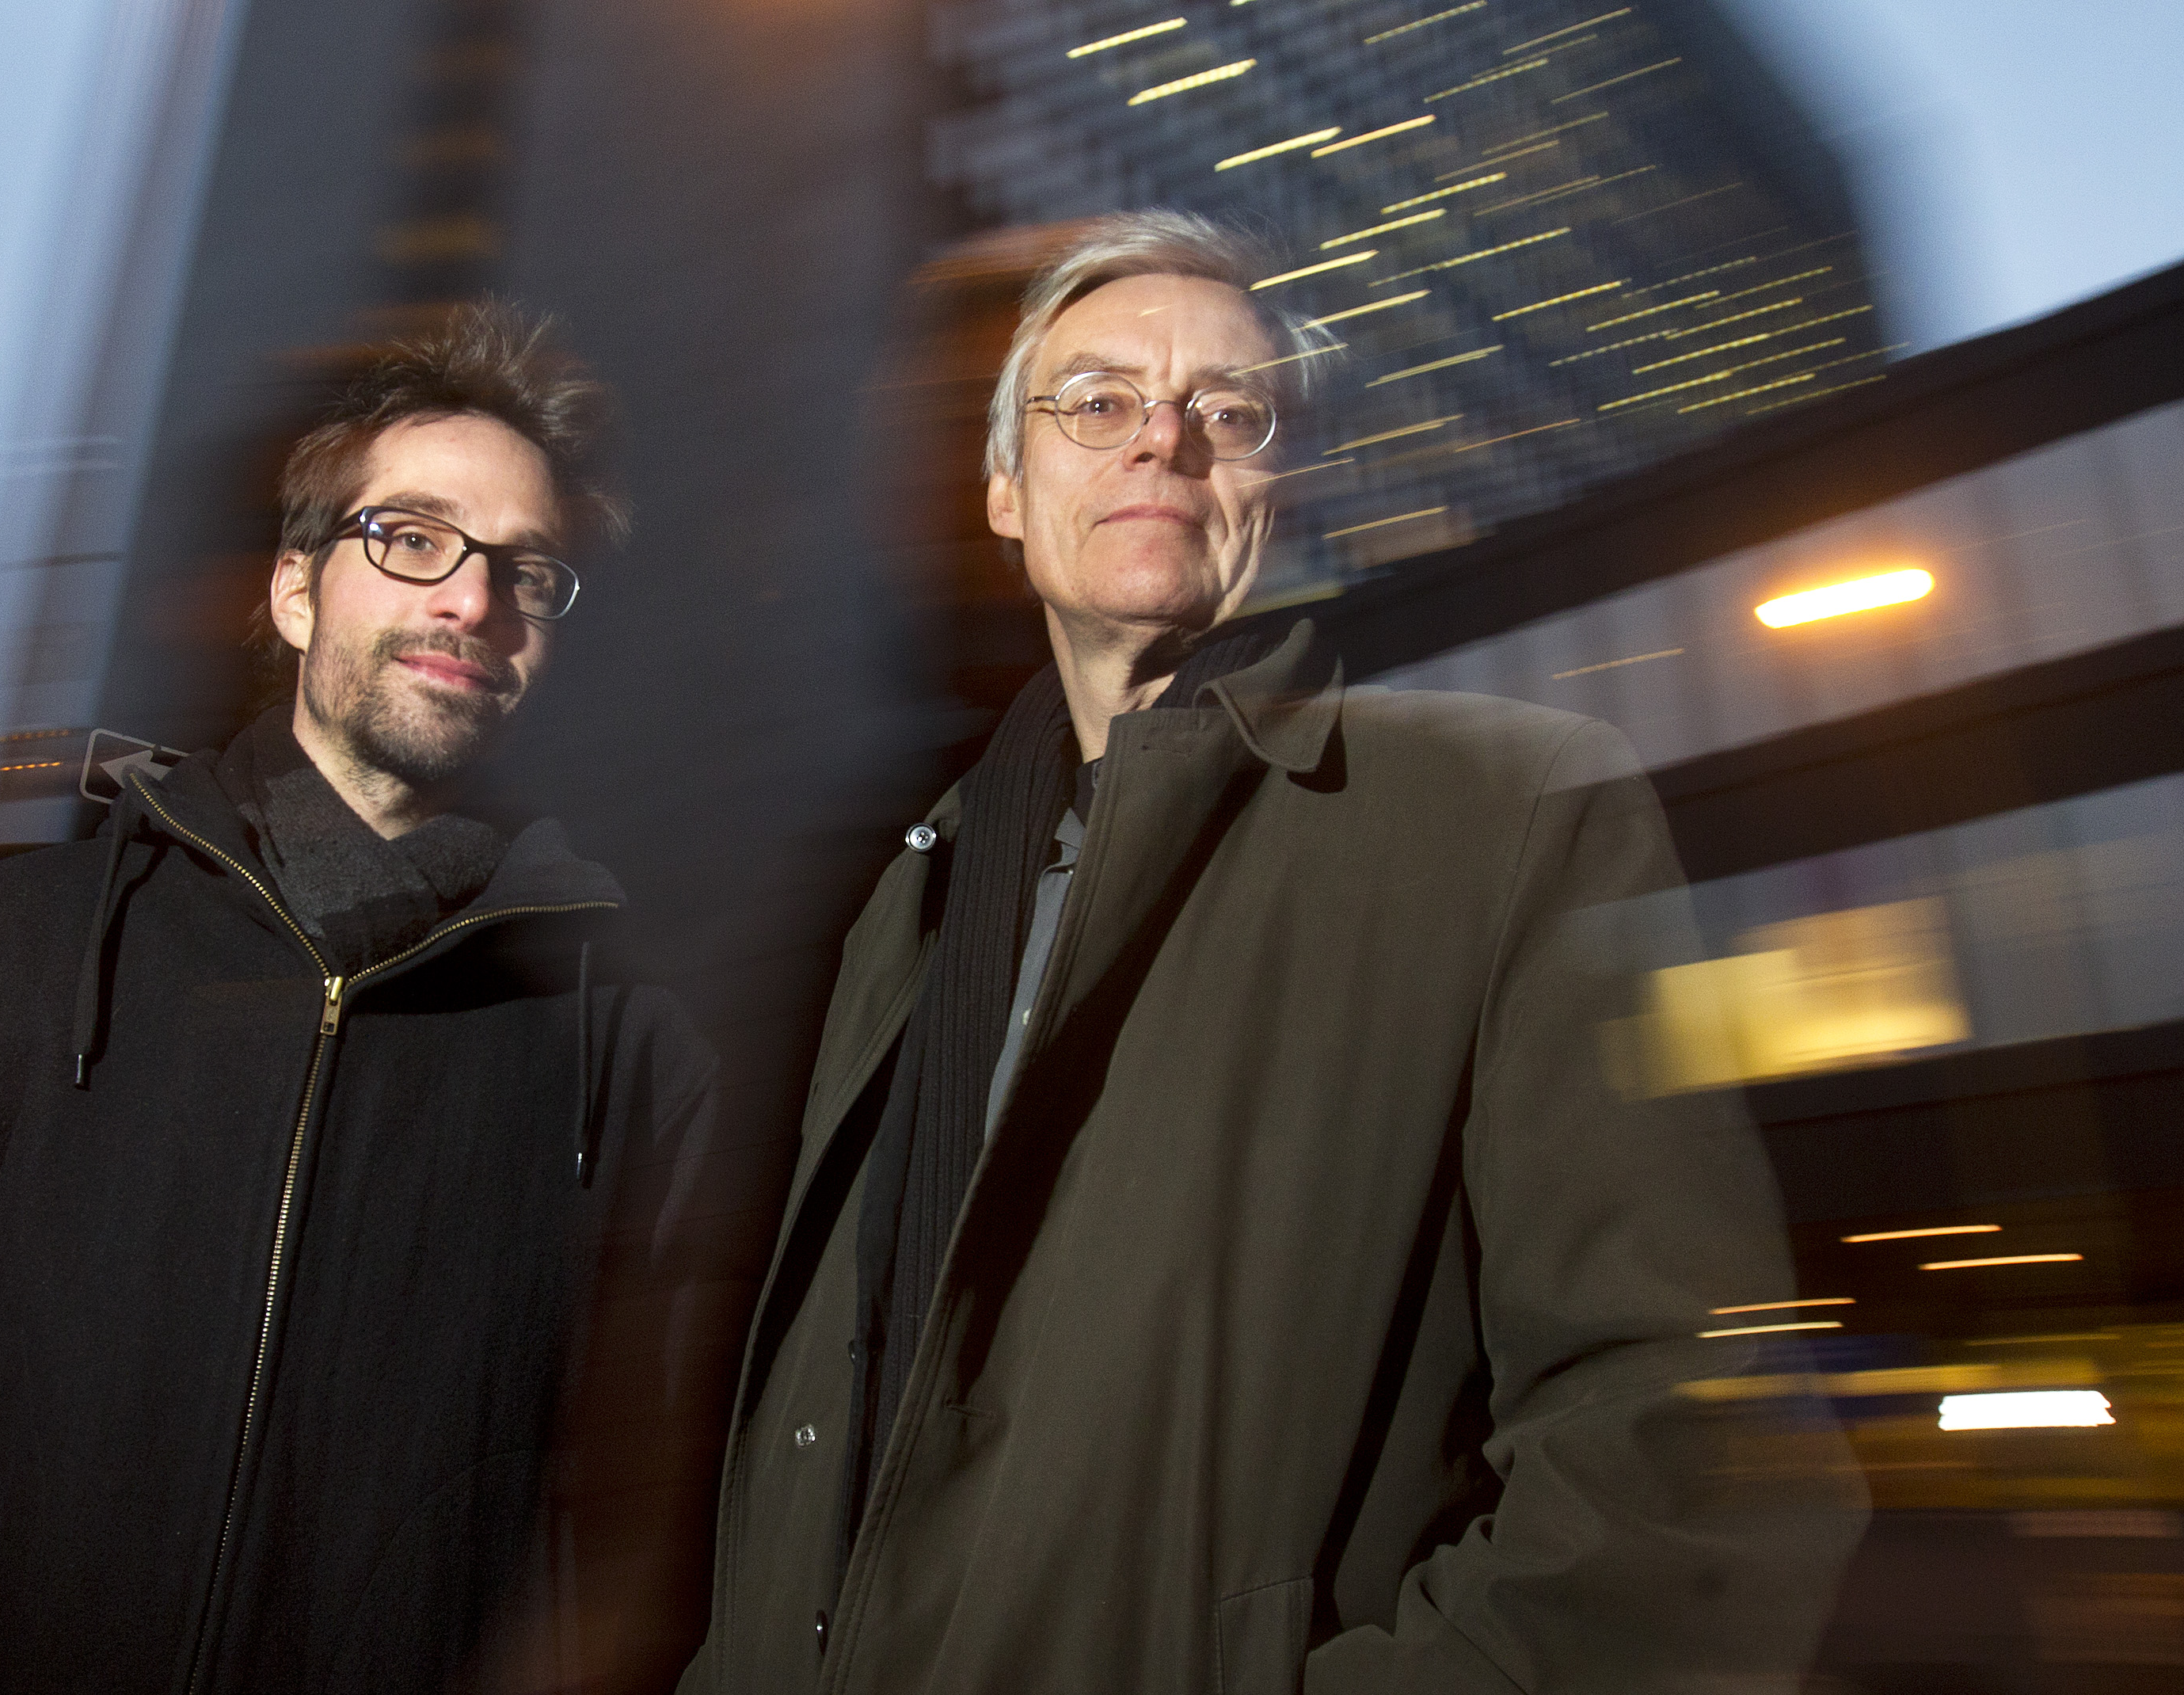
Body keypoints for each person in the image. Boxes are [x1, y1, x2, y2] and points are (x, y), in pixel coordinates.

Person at [686, 212, 1862, 1694]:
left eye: (1228, 413)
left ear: (1278, 488)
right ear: (1005, 486)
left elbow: (1691, 1459)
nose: (1160, 442)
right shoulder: (913, 899)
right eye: (1098, 401)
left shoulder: (1506, 815)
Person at [0, 303, 739, 1694]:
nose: (469, 600)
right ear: (297, 591)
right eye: (411, 539)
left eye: (525, 574)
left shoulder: (628, 1063)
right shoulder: (12, 951)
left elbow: (628, 1533)